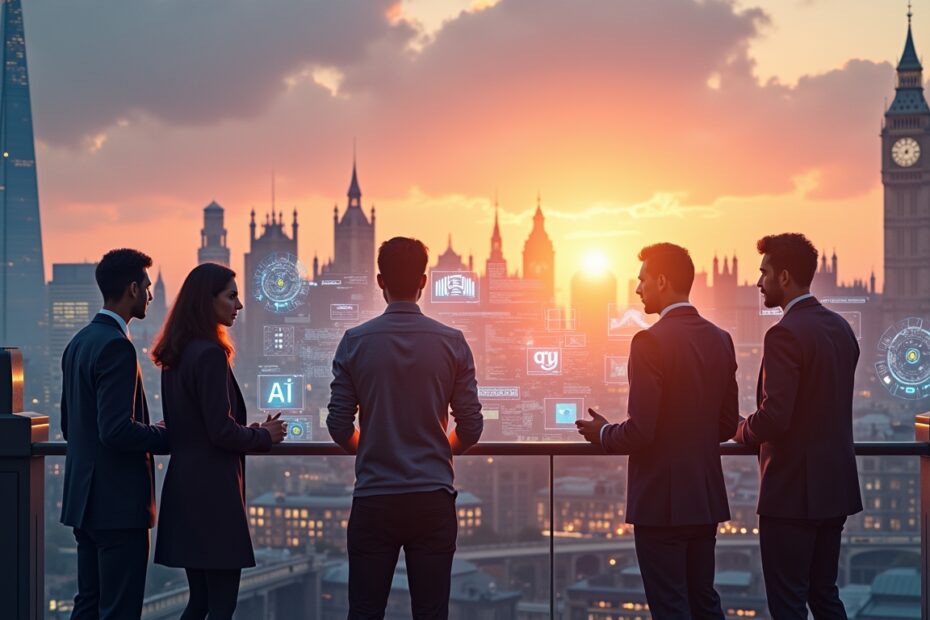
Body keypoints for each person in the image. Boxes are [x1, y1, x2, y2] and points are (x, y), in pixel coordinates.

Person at [577, 243, 738, 619]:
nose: (637, 289)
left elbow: (641, 431)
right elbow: (727, 425)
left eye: (643, 279)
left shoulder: (649, 341)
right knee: (704, 601)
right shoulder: (721, 339)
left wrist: (603, 433)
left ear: (662, 281)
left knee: (669, 607)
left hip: (660, 505)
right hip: (704, 497)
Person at [327, 236, 484, 619]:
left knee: (364, 610)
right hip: (432, 498)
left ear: (380, 281)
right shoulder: (453, 343)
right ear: (424, 282)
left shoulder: (354, 342)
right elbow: (472, 426)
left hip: (375, 497)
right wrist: (439, 450)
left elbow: (337, 424)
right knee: (431, 612)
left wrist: (372, 447)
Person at [734, 233, 861, 619]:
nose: (758, 283)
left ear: (784, 277)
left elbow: (775, 417)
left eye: (764, 273)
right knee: (825, 595)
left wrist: (740, 429)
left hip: (791, 494)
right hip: (834, 488)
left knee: (788, 602)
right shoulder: (842, 328)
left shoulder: (784, 333)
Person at [151, 263, 286, 620]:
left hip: (185, 488)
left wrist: (248, 429)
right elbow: (219, 432)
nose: (238, 305)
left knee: (199, 602)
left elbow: (196, 425)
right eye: (231, 295)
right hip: (214, 494)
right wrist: (263, 436)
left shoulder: (176, 354)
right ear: (206, 301)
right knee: (222, 605)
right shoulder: (209, 354)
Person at [60, 248, 170, 619]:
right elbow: (116, 431)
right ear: (132, 289)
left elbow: (69, 425)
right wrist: (165, 436)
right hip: (118, 507)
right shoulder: (116, 347)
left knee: (88, 604)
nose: (152, 296)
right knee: (119, 610)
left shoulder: (79, 343)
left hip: (84, 503)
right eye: (148, 287)